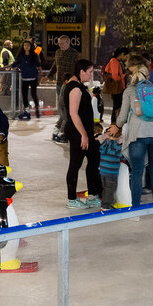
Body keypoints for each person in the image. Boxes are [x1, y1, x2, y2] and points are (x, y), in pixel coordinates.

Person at [107, 55, 153, 207]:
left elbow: (122, 116)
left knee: (137, 172)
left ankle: (135, 208)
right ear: (147, 74)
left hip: (138, 134)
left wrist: (117, 126)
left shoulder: (130, 91)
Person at [64, 59, 103, 209]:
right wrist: (83, 135)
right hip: (78, 133)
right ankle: (71, 198)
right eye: (90, 72)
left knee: (94, 158)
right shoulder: (75, 88)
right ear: (81, 72)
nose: (92, 75)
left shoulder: (79, 86)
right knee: (75, 163)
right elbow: (73, 114)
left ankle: (93, 195)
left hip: (85, 131)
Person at [48, 34, 80, 143]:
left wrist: (78, 82)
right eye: (59, 43)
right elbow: (55, 66)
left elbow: (78, 68)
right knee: (62, 108)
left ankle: (62, 130)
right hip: (59, 84)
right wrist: (48, 76)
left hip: (70, 85)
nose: (60, 45)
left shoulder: (74, 54)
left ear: (68, 43)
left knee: (66, 108)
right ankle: (60, 130)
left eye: (62, 43)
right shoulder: (57, 53)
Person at [98, 123, 122, 210]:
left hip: (103, 171)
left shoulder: (104, 143)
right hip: (111, 172)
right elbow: (121, 155)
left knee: (105, 188)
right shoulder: (117, 146)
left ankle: (104, 203)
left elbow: (101, 150)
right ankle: (106, 206)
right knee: (110, 189)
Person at [16, 39, 42, 120]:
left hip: (33, 78)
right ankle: (27, 111)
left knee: (33, 94)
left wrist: (41, 75)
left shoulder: (34, 56)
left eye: (28, 45)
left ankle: (37, 109)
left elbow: (39, 66)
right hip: (25, 78)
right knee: (24, 95)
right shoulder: (21, 56)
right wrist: (5, 67)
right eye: (25, 45)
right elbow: (15, 63)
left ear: (30, 47)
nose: (26, 47)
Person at [103, 47, 129, 125]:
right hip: (117, 89)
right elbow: (115, 77)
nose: (126, 58)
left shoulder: (118, 62)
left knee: (118, 107)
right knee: (117, 108)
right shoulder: (114, 62)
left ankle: (115, 125)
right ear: (121, 54)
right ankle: (114, 125)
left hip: (119, 89)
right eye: (126, 56)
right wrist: (124, 75)